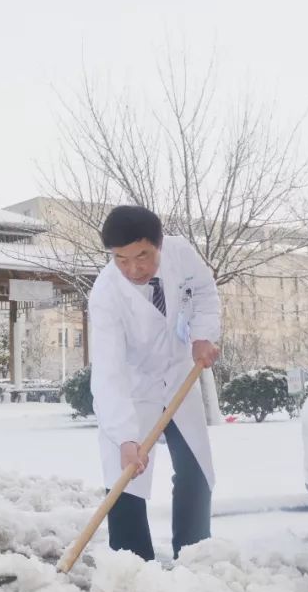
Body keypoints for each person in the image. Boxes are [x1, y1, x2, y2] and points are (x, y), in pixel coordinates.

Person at [89, 205, 221, 561]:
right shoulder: (106, 295)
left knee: (196, 470)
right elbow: (108, 371)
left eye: (143, 256)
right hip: (133, 389)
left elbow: (205, 292)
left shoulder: (181, 253)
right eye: (121, 259)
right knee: (126, 478)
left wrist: (203, 336)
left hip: (178, 375)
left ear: (159, 245)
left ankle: (194, 556)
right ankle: (133, 566)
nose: (134, 269)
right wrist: (125, 436)